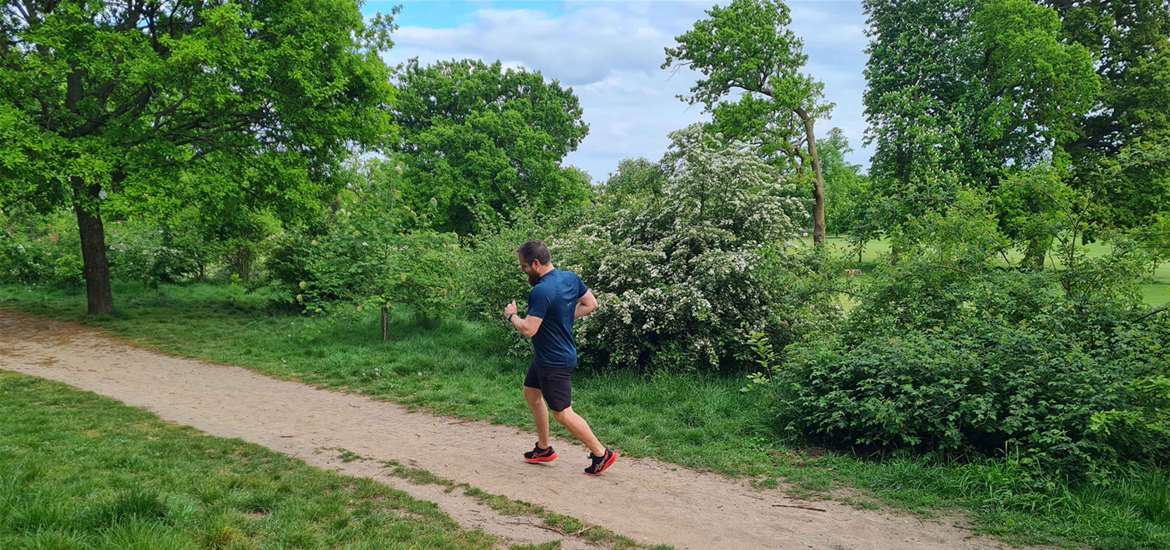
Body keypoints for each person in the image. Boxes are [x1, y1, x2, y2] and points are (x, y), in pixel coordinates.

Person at [504, 240, 618, 476]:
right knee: (532, 393)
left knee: (563, 412)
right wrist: (562, 319)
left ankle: (601, 453)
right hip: (546, 356)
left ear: (536, 263)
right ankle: (544, 448)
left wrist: (511, 316)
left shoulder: (541, 291)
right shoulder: (570, 278)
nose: (523, 271)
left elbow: (528, 329)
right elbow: (591, 303)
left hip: (554, 361)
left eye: (524, 266)